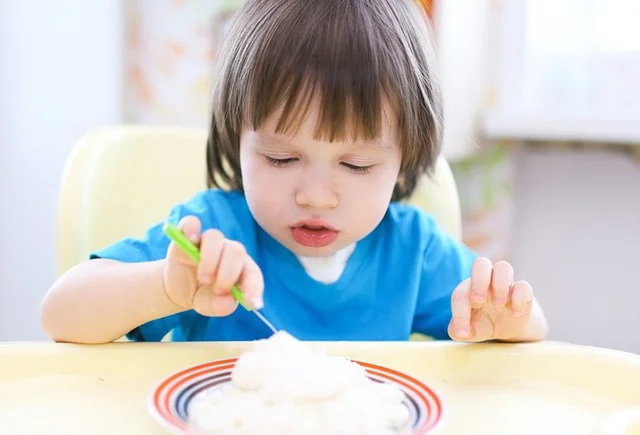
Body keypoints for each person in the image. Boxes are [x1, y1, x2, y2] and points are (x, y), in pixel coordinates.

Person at [41, 0, 548, 345]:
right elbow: (59, 314)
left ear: (404, 161)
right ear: (235, 138)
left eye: (357, 165)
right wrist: (168, 288)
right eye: (281, 158)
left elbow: (531, 331)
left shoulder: (413, 253)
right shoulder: (212, 240)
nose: (316, 196)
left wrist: (506, 323)